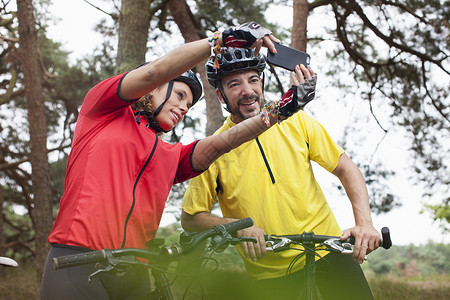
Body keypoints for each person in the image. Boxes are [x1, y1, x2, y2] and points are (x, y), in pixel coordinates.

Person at [39, 22, 310, 300]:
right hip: (78, 260)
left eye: (189, 104)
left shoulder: (168, 154)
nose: (183, 107)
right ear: (151, 90)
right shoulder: (102, 111)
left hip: (135, 270)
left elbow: (222, 142)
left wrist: (283, 110)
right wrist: (223, 39)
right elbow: (156, 71)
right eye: (180, 95)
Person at [181, 47, 381, 299]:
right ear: (220, 95)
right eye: (234, 84)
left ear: (262, 83)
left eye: (253, 80)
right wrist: (234, 226)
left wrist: (364, 223)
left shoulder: (295, 120)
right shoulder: (213, 148)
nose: (248, 91)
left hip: (327, 247)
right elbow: (190, 218)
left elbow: (346, 168)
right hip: (270, 271)